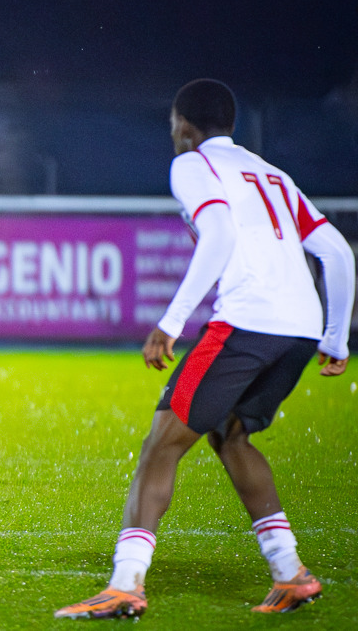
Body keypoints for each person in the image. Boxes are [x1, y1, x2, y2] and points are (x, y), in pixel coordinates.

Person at [55, 79, 355, 619]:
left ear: (185, 128)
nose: (174, 137)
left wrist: (169, 324)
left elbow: (218, 233)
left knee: (161, 443)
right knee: (231, 436)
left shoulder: (193, 164)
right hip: (300, 327)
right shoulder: (272, 173)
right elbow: (336, 252)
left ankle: (125, 585)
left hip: (247, 320)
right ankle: (290, 573)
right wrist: (335, 337)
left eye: (174, 127)